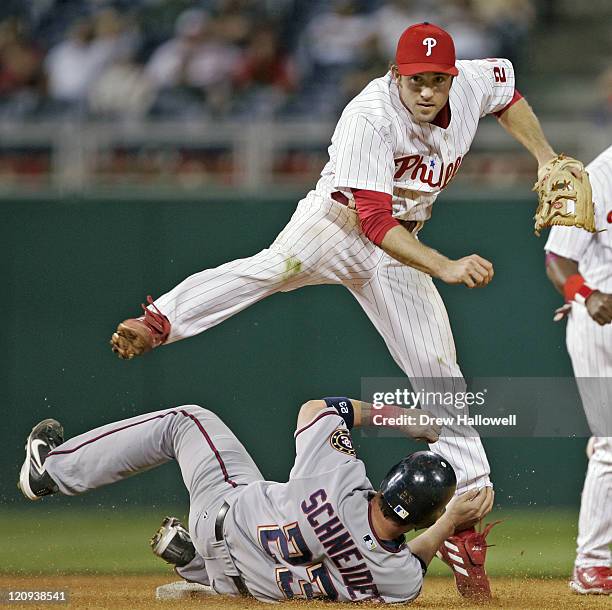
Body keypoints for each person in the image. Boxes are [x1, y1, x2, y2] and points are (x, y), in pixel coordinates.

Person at [110, 21, 568, 598]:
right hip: (338, 224)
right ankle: (161, 321)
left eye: (438, 81)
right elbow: (375, 222)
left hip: (403, 249)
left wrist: (547, 158)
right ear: (395, 74)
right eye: (416, 80)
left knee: (440, 375)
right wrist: (446, 266)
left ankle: (465, 535)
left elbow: (509, 92)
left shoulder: (469, 85)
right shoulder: (369, 116)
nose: (428, 92)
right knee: (273, 269)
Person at [18, 397, 490, 603]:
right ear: (422, 519)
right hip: (246, 583)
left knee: (186, 421)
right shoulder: (399, 581)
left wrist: (400, 419)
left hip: (220, 515)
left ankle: (50, 472)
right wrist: (448, 520)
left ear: (389, 480)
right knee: (290, 579)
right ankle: (195, 566)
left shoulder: (338, 481)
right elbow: (411, 557)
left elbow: (320, 409)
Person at [544, 144, 612, 596]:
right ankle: (593, 562)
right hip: (600, 319)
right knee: (611, 442)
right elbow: (557, 258)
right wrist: (584, 294)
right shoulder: (594, 176)